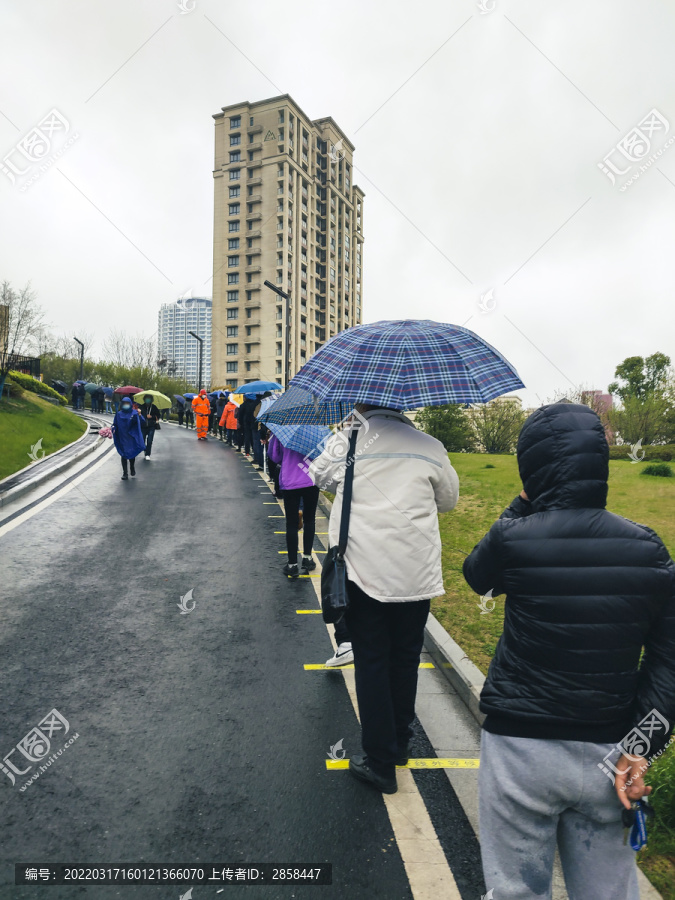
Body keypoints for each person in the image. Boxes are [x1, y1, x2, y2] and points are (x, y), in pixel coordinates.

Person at [462, 402, 675, 900]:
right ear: (599, 463)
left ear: (530, 468)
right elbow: (669, 665)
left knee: (516, 891)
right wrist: (642, 748)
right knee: (608, 892)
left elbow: (477, 577)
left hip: (520, 746)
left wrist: (521, 502)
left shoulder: (515, 537)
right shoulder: (650, 549)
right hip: (611, 750)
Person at [309, 406, 459, 794]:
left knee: (373, 661)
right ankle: (400, 743)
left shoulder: (350, 439)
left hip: (365, 572)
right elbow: (448, 501)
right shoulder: (430, 445)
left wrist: (345, 435)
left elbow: (317, 475)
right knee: (406, 659)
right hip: (415, 574)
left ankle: (379, 762)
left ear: (363, 406)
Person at [268, 433, 321, 577]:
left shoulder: (282, 431)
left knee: (291, 524)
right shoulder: (317, 429)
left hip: (290, 481)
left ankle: (292, 564)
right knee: (310, 520)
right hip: (311, 479)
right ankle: (308, 558)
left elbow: (275, 457)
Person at [111, 396, 145, 480]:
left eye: (127, 403)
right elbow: (115, 424)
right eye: (124, 403)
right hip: (122, 437)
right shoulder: (118, 414)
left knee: (131, 454)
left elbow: (142, 422)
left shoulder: (134, 413)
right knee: (123, 454)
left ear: (130, 404)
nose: (126, 405)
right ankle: (125, 473)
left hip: (131, 437)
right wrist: (112, 429)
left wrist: (140, 415)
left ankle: (132, 467)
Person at [139, 394, 160, 460]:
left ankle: (148, 454)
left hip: (151, 426)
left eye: (149, 398)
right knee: (142, 440)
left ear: (151, 400)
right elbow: (138, 416)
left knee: (149, 440)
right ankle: (145, 448)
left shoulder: (154, 407)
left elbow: (158, 415)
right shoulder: (141, 407)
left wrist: (152, 417)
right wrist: (142, 415)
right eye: (146, 398)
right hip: (143, 426)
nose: (147, 400)